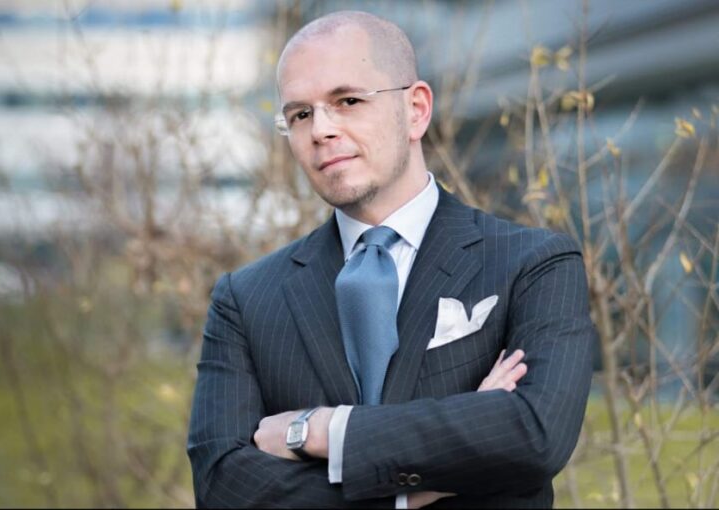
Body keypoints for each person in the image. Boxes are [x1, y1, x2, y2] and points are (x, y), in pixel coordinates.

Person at [187, 10, 596, 509]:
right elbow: (221, 484)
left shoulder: (533, 264)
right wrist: (410, 492)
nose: (321, 130)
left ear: (416, 110)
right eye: (300, 115)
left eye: (348, 101)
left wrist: (322, 430)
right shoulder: (246, 299)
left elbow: (533, 432)